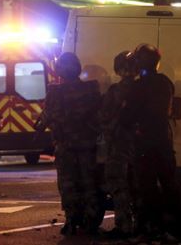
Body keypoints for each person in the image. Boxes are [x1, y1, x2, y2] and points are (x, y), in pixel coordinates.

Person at [128, 44, 181, 240]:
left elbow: (128, 115)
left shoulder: (138, 86)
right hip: (163, 140)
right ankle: (177, 226)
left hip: (144, 142)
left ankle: (150, 226)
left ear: (140, 62)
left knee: (146, 187)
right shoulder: (165, 83)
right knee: (170, 183)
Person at [41, 52, 102, 235]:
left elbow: (47, 117)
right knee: (88, 183)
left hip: (66, 146)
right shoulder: (91, 89)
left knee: (68, 185)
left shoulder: (55, 92)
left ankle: (72, 220)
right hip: (86, 146)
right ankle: (90, 221)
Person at [99, 51, 138, 238]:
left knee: (118, 184)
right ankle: (142, 224)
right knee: (139, 184)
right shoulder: (144, 88)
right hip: (141, 146)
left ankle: (124, 226)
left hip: (119, 145)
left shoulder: (116, 91)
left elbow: (104, 117)